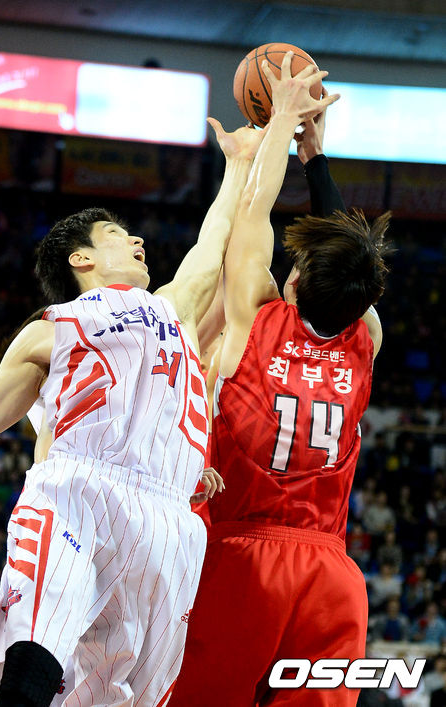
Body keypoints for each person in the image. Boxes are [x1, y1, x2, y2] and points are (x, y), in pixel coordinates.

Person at [0, 116, 269, 707]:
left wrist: (240, 163)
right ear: (81, 258)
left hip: (169, 520)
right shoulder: (53, 330)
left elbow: (213, 242)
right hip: (78, 495)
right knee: (36, 654)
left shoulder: (174, 308)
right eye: (118, 234)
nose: (138, 240)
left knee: (118, 697)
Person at [170, 53, 391, 707]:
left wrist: (282, 125)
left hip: (243, 558)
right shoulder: (365, 339)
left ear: (292, 281)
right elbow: (349, 256)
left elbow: (252, 215)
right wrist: (315, 156)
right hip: (330, 572)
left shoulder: (255, 319)